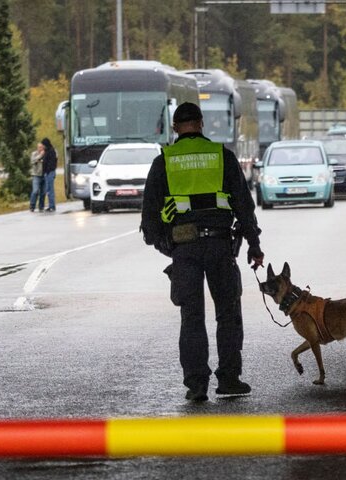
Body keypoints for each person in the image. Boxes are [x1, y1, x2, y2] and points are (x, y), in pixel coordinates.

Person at [140, 102, 264, 402]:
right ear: (201, 124)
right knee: (228, 314)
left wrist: (167, 245)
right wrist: (253, 244)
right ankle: (230, 379)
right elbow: (243, 206)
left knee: (192, 317)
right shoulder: (222, 157)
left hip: (185, 250)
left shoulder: (164, 161)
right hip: (221, 247)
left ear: (175, 128)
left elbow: (149, 219)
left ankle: (197, 385)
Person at [41, 138, 57, 212]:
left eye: (43, 145)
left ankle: (52, 206)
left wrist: (47, 170)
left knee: (50, 190)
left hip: (50, 172)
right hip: (47, 172)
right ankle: (51, 205)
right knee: (48, 189)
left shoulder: (51, 151)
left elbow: (52, 162)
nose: (42, 146)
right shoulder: (47, 151)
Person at [29, 142, 45, 212]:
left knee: (43, 192)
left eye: (41, 147)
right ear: (37, 147)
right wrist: (40, 156)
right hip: (36, 175)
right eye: (39, 147)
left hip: (44, 175)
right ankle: (32, 206)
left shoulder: (45, 154)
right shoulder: (34, 154)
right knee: (35, 191)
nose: (40, 148)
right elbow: (32, 161)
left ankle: (41, 207)